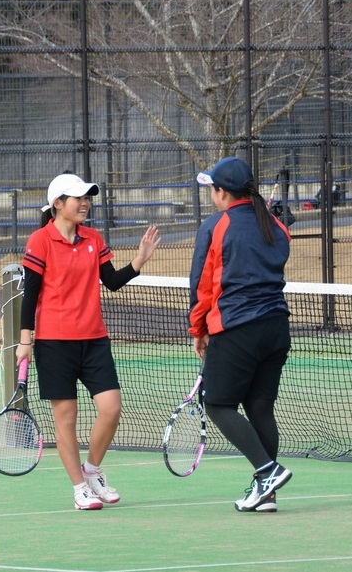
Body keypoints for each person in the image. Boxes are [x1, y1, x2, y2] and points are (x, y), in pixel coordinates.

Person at [15, 173, 161, 510]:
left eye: (87, 197)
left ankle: (92, 470)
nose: (85, 203)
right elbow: (31, 294)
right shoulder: (39, 241)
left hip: (95, 340)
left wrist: (140, 259)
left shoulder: (93, 238)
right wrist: (26, 340)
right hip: (54, 343)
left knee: (111, 409)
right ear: (58, 204)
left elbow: (110, 281)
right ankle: (79, 487)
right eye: (78, 198)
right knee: (66, 418)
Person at [189, 156, 293, 513]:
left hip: (237, 329)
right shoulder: (276, 226)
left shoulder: (217, 225)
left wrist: (198, 330)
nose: (211, 196)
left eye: (212, 190)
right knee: (260, 406)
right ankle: (267, 493)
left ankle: (268, 470)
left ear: (222, 193)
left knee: (216, 404)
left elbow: (202, 284)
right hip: (277, 328)